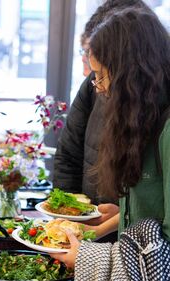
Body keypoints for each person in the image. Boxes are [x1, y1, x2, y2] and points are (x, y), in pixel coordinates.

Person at [51, 9, 170, 281]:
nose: (98, 88)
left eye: (101, 76)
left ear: (133, 74)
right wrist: (118, 215)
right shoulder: (147, 118)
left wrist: (86, 256)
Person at [53, 0, 151, 205]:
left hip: (133, 234)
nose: (98, 83)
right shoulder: (92, 85)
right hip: (91, 224)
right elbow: (68, 155)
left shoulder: (157, 105)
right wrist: (67, 213)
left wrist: (120, 222)